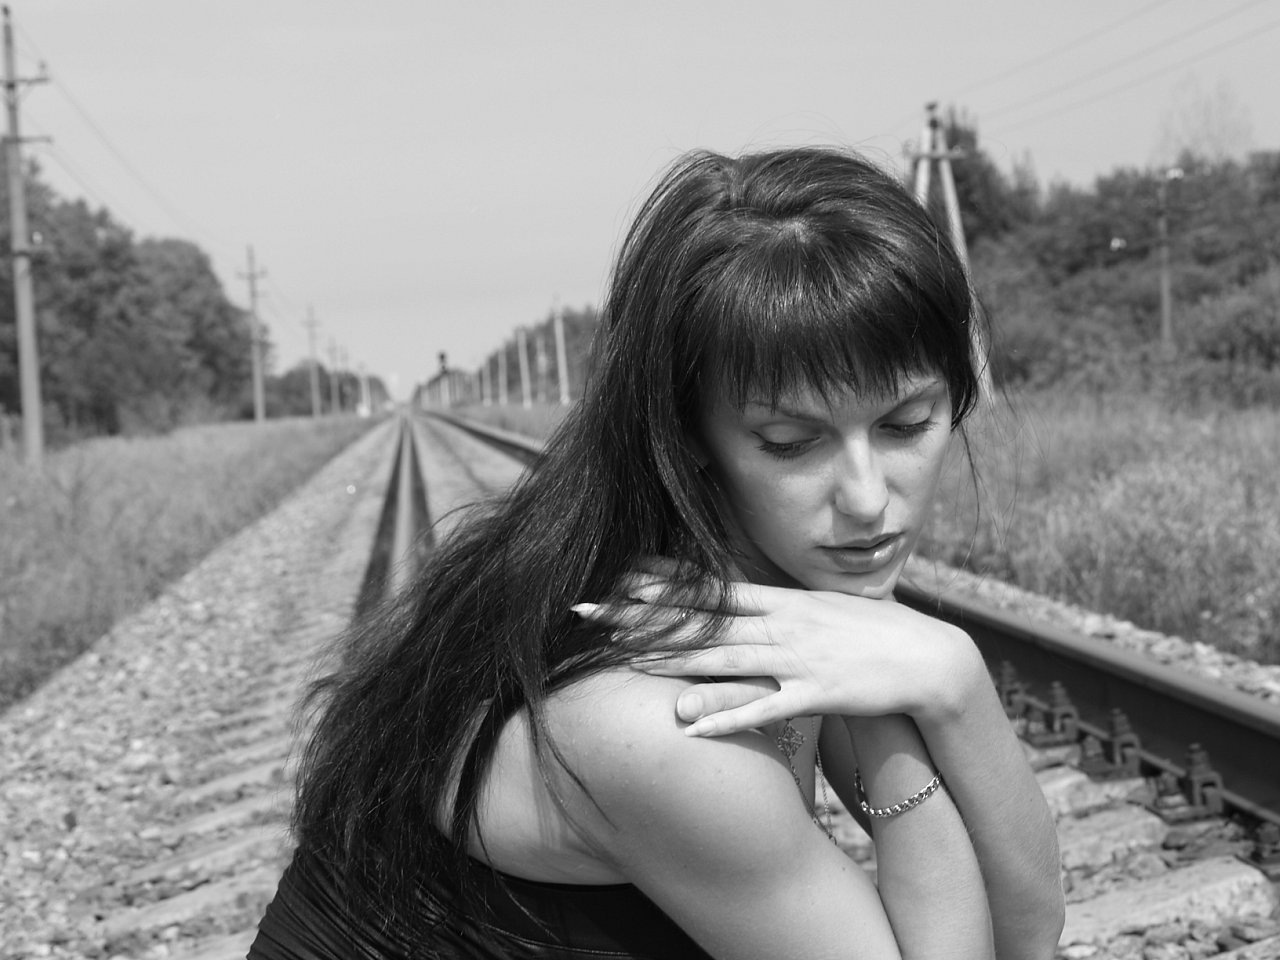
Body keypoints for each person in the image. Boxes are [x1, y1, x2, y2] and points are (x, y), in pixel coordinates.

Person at [249, 146, 1064, 959]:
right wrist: (926, 675)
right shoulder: (665, 728)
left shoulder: (779, 602)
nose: (866, 496)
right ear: (687, 432)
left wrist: (952, 682)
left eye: (906, 425)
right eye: (791, 442)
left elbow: (1028, 932)